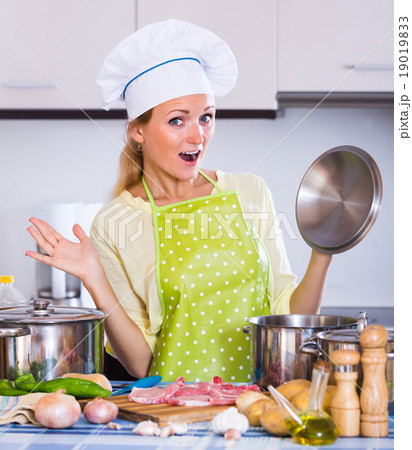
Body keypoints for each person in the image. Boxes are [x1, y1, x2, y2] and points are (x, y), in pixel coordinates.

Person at [26, 19, 332, 382]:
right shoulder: (116, 221)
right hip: (173, 412)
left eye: (206, 117)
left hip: (259, 404)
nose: (197, 135)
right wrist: (94, 277)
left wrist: (323, 250)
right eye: (177, 121)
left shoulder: (250, 191)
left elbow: (289, 320)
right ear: (137, 131)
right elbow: (141, 364)